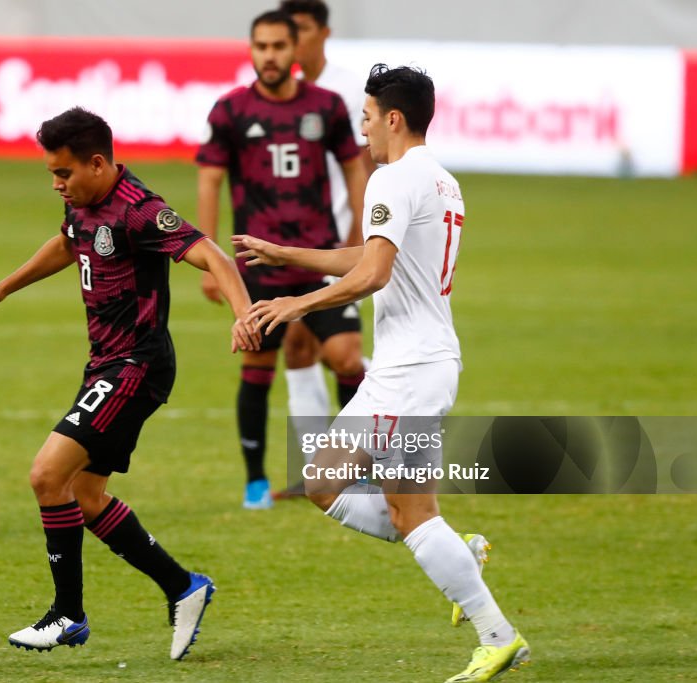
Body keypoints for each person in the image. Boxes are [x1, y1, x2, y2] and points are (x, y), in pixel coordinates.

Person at [235, 65, 531, 681]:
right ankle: (460, 558)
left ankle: (495, 633)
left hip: (412, 371)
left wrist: (296, 303)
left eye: (367, 116)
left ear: (393, 118)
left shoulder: (392, 177)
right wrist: (292, 257)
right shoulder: (442, 180)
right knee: (322, 483)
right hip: (415, 366)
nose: (362, 128)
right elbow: (373, 254)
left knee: (408, 514)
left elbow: (372, 275)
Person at [0, 107, 259, 660]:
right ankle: (182, 586)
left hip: (136, 365)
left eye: (64, 173)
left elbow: (212, 254)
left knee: (47, 475)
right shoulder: (82, 206)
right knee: (85, 495)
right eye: (52, 174)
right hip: (106, 363)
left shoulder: (140, 212)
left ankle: (68, 615)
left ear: (98, 163)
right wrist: (3, 288)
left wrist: (243, 313)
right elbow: (68, 243)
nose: (57, 184)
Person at [196, 10, 369, 509]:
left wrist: (357, 239)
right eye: (261, 46)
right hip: (257, 267)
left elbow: (355, 172)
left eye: (278, 46)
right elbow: (209, 181)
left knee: (346, 357)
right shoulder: (230, 110)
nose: (269, 55)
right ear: (251, 50)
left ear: (295, 51)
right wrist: (210, 260)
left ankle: (356, 467)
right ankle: (255, 481)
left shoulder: (329, 106)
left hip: (319, 259)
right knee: (257, 365)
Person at [275, 0, 377, 500]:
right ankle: (316, 467)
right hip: (298, 243)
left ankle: (377, 448)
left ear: (323, 33)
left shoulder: (343, 88)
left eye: (302, 29)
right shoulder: (281, 96)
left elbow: (366, 163)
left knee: (344, 354)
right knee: (296, 346)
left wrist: (360, 233)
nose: (294, 38)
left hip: (340, 240)